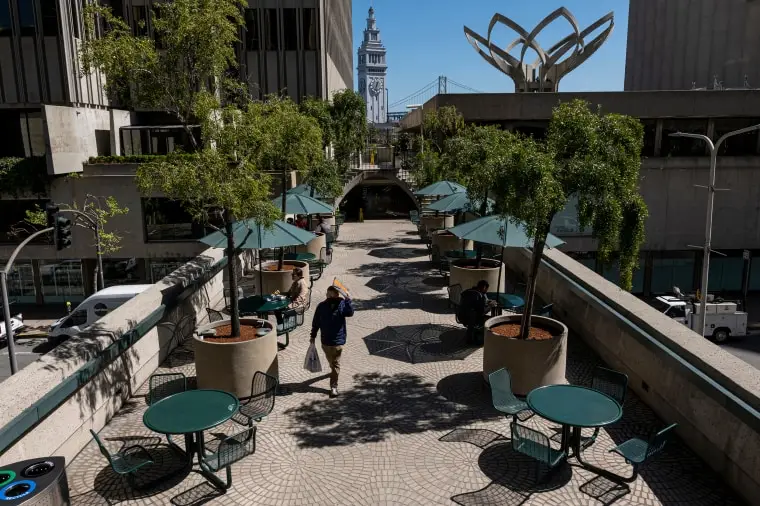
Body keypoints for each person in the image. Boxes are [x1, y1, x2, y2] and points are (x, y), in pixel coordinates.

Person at [310, 286, 354, 397]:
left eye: (330, 294)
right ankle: (333, 371)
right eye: (327, 294)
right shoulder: (321, 306)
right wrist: (313, 336)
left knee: (335, 364)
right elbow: (316, 322)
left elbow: (350, 313)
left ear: (336, 295)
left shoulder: (342, 304)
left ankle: (333, 387)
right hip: (325, 341)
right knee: (331, 362)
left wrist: (348, 300)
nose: (328, 296)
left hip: (337, 342)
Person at [458, 280, 496, 345]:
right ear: (484, 288)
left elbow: (473, 302)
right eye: (486, 289)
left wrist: (486, 302)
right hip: (472, 319)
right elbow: (482, 312)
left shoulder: (467, 291)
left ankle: (474, 333)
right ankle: (485, 336)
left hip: (461, 316)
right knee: (490, 319)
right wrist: (490, 306)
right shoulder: (480, 296)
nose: (486, 291)